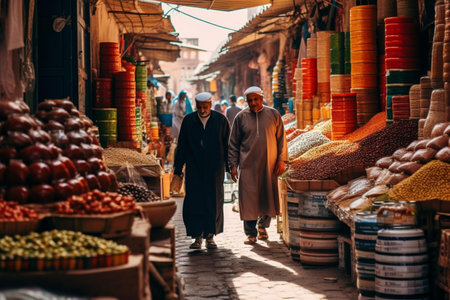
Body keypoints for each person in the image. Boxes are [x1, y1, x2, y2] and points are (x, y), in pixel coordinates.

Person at [228, 86, 287, 245]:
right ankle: (250, 233)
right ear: (246, 101)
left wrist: (281, 159)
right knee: (248, 199)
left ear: (261, 98)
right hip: (247, 165)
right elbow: (233, 144)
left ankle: (263, 226)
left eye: (256, 99)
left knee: (267, 195)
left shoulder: (273, 114)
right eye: (250, 100)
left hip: (269, 164)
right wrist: (233, 165)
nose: (253, 103)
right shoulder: (240, 117)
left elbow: (281, 139)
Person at [172, 92, 231, 250]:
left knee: (214, 200)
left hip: (215, 169)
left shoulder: (221, 120)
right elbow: (182, 146)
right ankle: (197, 237)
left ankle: (210, 236)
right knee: (194, 201)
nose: (202, 110)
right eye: (199, 107)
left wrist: (231, 167)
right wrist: (178, 169)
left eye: (205, 107)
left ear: (210, 105)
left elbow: (227, 146)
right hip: (194, 168)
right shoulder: (188, 121)